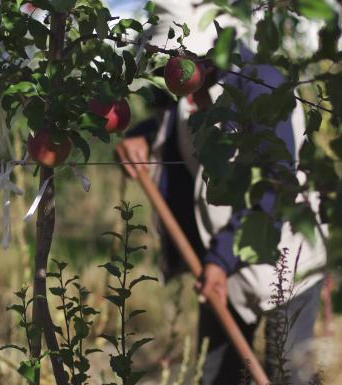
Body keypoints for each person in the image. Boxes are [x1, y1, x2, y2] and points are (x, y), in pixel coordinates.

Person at [115, 3, 327, 384]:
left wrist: (221, 258)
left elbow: (275, 189)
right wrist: (140, 138)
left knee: (289, 371)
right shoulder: (185, 89)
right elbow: (174, 130)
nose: (170, 73)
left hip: (284, 258)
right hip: (221, 262)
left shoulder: (263, 88)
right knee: (217, 377)